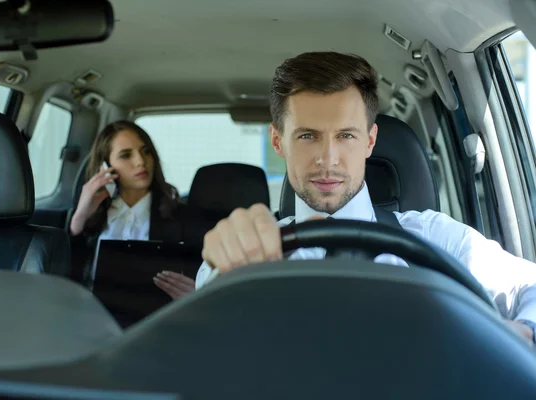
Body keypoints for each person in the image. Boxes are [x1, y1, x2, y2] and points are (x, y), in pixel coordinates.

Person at [196, 51, 536, 344]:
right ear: (278, 142)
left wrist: (524, 332)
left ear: (370, 141)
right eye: (307, 136)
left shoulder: (435, 240)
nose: (327, 159)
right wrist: (225, 281)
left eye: (345, 135)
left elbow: (529, 285)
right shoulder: (247, 253)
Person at [69, 120, 195, 299]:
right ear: (105, 166)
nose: (140, 162)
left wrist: (197, 292)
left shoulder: (182, 218)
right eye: (126, 155)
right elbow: (66, 277)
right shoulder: (91, 219)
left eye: (145, 152)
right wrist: (79, 217)